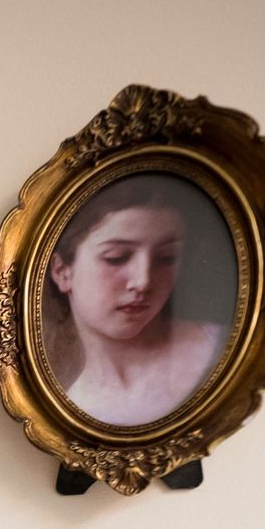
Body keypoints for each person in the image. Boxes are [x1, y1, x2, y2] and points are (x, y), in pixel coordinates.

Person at [45, 174, 227, 426]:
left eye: (166, 257)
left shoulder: (221, 349)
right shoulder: (72, 407)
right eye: (116, 257)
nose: (143, 281)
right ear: (62, 271)